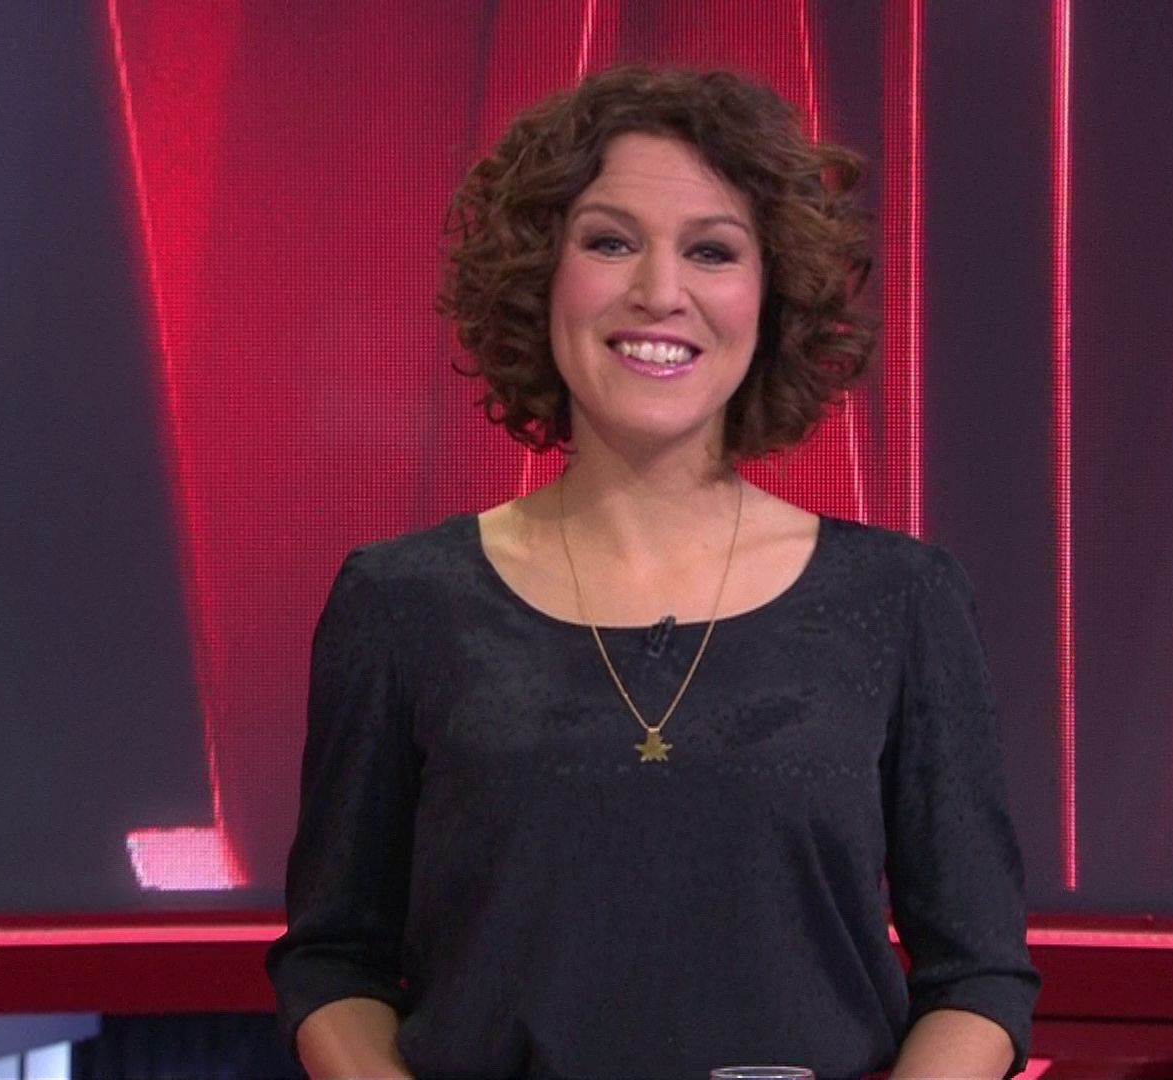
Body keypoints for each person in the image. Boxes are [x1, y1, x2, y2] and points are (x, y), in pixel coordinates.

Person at [266, 65, 1039, 1078]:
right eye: (610, 242)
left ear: (771, 295)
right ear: (542, 275)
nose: (660, 293)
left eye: (712, 250)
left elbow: (979, 975)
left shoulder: (900, 602)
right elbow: (334, 958)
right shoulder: (402, 603)